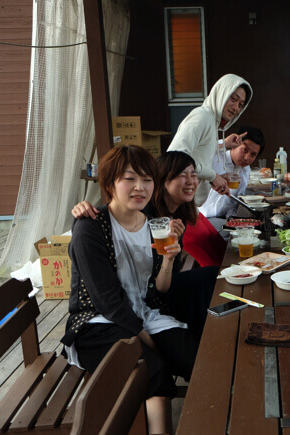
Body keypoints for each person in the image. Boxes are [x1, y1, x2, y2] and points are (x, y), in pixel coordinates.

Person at [62, 146, 198, 433]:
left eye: (147, 179)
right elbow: (107, 301)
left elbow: (160, 291)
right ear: (110, 183)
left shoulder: (153, 224)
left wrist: (168, 261)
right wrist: (148, 339)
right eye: (129, 178)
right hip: (96, 323)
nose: (140, 187)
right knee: (152, 368)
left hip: (144, 314)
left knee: (195, 356)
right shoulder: (90, 227)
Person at [72, 151, 220, 330]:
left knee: (213, 276)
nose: (191, 181)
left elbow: (168, 274)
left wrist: (171, 255)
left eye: (194, 175)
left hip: (154, 290)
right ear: (163, 181)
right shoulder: (142, 211)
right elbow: (105, 291)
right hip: (127, 304)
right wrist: (83, 211)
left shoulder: (177, 216)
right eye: (182, 175)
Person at [167, 74, 253, 206]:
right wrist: (212, 176)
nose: (236, 107)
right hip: (180, 203)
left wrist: (211, 180)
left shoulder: (213, 122)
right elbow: (174, 157)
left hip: (189, 204)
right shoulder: (202, 116)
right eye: (233, 99)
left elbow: (198, 153)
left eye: (240, 105)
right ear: (222, 93)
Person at [198, 126, 265, 226]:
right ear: (234, 144)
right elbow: (195, 151)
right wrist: (225, 142)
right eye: (245, 150)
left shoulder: (245, 169)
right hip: (203, 217)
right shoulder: (216, 156)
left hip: (225, 218)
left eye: (253, 155)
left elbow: (234, 201)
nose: (247, 158)